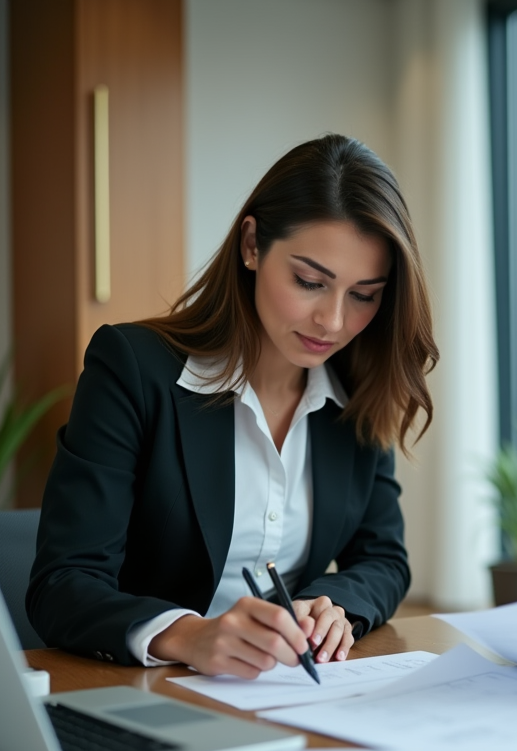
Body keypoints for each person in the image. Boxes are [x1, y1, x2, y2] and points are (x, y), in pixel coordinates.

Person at [27, 134, 437, 678]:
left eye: (364, 294)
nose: (334, 322)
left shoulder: (358, 390)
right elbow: (63, 583)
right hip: (146, 690)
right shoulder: (133, 368)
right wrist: (188, 635)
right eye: (310, 281)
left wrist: (331, 606)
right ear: (252, 245)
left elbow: (383, 559)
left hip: (283, 694)